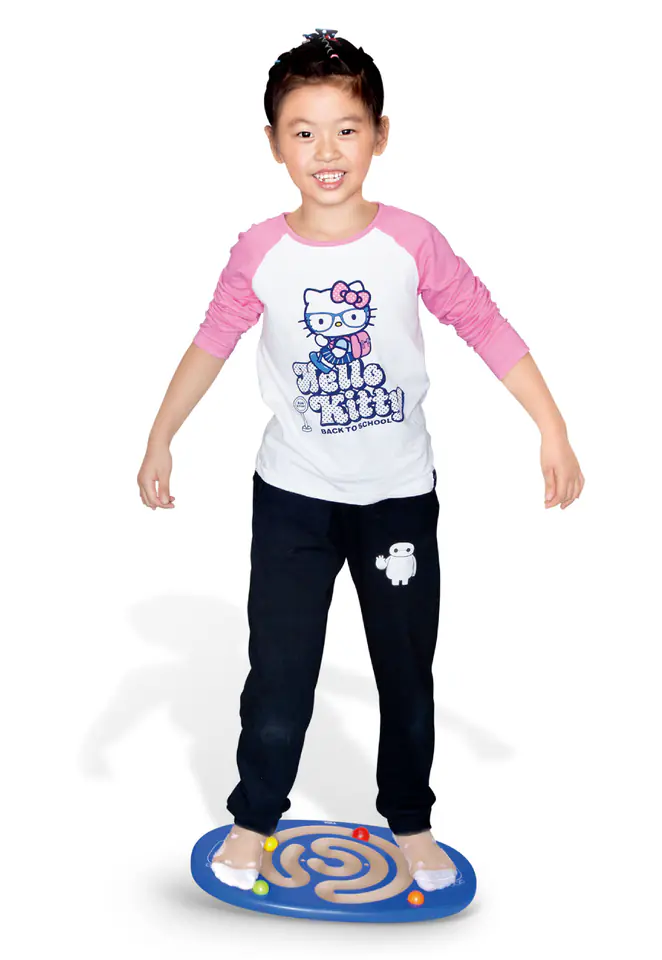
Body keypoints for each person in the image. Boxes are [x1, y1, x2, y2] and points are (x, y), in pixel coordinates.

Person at [137, 28, 585, 894]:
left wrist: (551, 426)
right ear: (273, 143)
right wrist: (162, 436)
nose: (326, 151)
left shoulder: (411, 241)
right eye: (303, 131)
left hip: (398, 500)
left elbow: (484, 323)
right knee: (280, 670)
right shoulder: (259, 250)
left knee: (404, 670)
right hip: (293, 498)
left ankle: (410, 821)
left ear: (381, 133)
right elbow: (212, 341)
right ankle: (254, 818)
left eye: (347, 128)